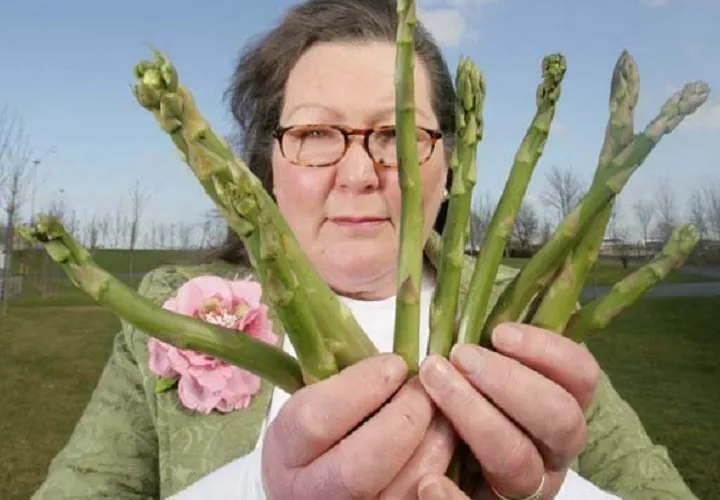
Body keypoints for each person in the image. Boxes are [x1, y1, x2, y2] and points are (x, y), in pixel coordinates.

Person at [32, 0, 697, 498]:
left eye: (396, 134)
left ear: (451, 165)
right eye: (317, 133)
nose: (358, 174)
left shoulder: (527, 316)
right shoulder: (166, 307)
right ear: (266, 164)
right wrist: (253, 492)